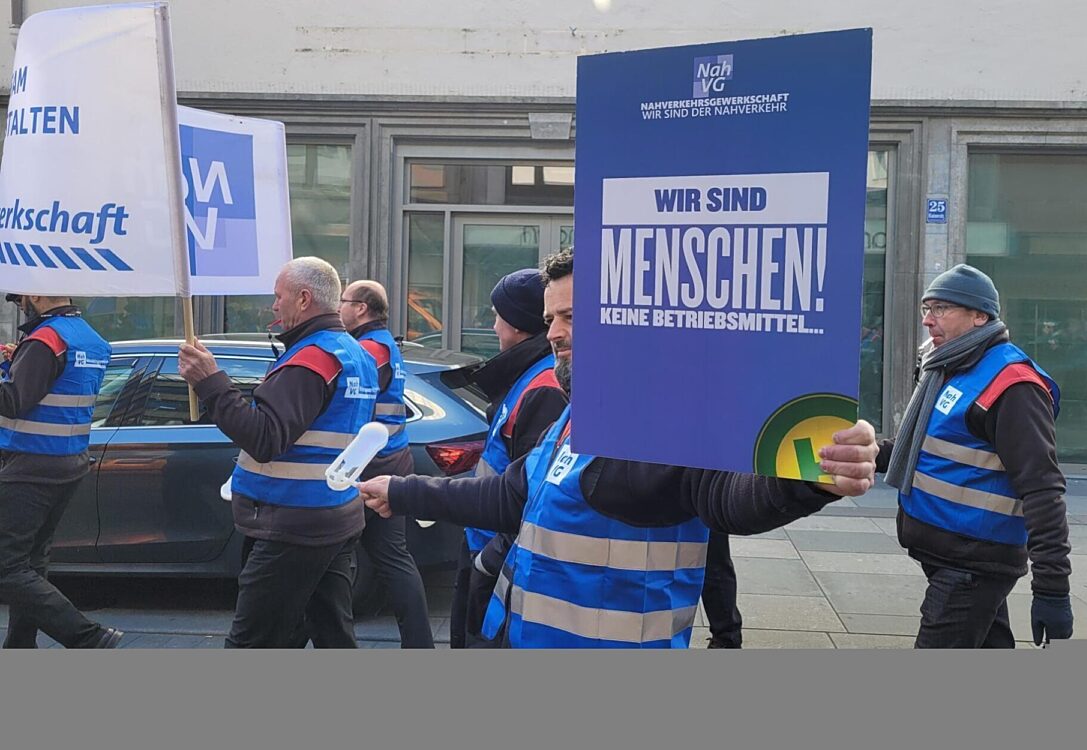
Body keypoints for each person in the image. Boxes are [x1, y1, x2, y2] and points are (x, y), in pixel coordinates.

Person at [358, 247, 880, 649]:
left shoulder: (662, 419)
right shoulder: (580, 412)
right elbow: (513, 494)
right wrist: (401, 491)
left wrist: (808, 475)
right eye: (550, 319)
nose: (554, 333)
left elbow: (729, 496)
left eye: (571, 317)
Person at [178, 257, 378, 648]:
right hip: (333, 515)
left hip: (292, 522)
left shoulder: (311, 359)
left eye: (278, 296)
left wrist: (210, 382)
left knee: (252, 644)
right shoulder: (356, 354)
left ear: (303, 299)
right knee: (332, 636)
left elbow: (264, 438)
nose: (273, 305)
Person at [879, 264, 1073, 648]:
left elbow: (1042, 488)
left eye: (940, 308)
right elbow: (926, 447)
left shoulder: (1012, 385)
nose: (927, 320)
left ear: (979, 316)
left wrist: (1052, 588)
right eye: (926, 308)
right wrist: (865, 450)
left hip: (971, 564)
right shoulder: (949, 365)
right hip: (951, 554)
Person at [445, 268, 567, 648]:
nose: (494, 325)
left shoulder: (543, 387)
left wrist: (486, 562)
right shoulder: (530, 377)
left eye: (498, 315)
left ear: (516, 323)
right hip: (485, 544)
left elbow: (526, 498)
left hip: (496, 557)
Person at [0, 292, 123, 648]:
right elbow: (56, 385)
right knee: (30, 563)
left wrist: (24, 362)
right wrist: (16, 364)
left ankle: (88, 638)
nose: (21, 304)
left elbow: (13, 401)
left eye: (21, 298)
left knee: (6, 566)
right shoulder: (90, 338)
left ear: (37, 293)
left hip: (30, 465)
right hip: (67, 463)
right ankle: (20, 647)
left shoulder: (46, 340)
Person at [338, 279, 434, 648]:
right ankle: (420, 645)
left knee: (326, 554)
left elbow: (346, 399)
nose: (339, 308)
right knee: (393, 558)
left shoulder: (368, 350)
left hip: (369, 466)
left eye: (344, 301)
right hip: (391, 459)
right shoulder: (385, 345)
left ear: (361, 308)